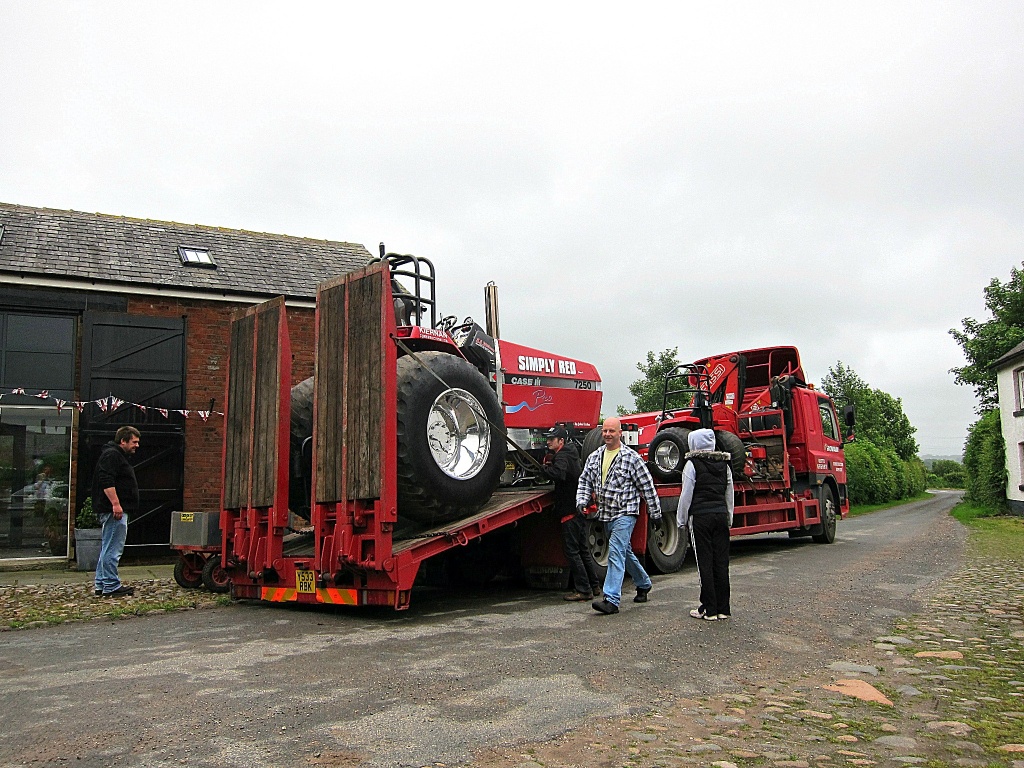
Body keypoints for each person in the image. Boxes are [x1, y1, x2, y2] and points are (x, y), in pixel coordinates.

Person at [576, 417, 661, 614]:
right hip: (606, 514)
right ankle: (644, 583)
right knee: (624, 553)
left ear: (620, 433)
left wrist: (656, 513)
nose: (607, 434)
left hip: (626, 513)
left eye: (611, 431)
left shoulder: (632, 458)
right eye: (605, 431)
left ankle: (611, 599)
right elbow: (584, 481)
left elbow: (647, 487)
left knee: (615, 551)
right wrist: (581, 501)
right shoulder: (595, 457)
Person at [676, 428, 734, 621]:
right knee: (721, 562)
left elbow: (686, 494)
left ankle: (708, 609)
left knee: (704, 563)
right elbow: (729, 493)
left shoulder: (692, 464)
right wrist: (729, 516)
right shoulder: (724, 465)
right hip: (720, 515)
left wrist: (681, 519)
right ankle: (723, 608)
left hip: (700, 517)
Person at [540, 426, 601, 601]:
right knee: (583, 550)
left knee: (572, 552)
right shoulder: (572, 454)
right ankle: (594, 586)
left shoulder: (562, 455)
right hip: (579, 509)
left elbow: (559, 473)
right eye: (548, 438)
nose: (548, 441)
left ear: (561, 441)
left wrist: (544, 470)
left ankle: (584, 590)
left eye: (552, 439)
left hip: (569, 511)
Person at [92, 426, 141, 597]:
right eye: (134, 442)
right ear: (123, 441)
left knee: (107, 547)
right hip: (114, 511)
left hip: (114, 509)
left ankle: (101, 583)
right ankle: (111, 585)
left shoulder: (114, 455)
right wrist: (116, 504)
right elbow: (106, 479)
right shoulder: (112, 455)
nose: (137, 445)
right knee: (113, 549)